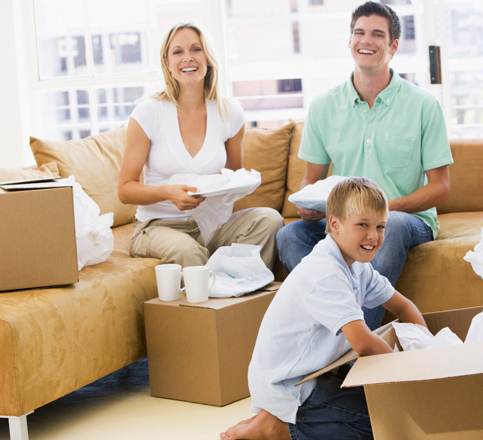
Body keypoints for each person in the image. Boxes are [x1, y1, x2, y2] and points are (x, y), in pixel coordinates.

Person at [276, 2, 453, 329]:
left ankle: (352, 351)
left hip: (404, 219)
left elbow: (441, 188)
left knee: (393, 225)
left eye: (377, 34)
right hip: (344, 220)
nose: (365, 40)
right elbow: (310, 180)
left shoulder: (423, 106)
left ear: (393, 46)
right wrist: (309, 205)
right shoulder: (323, 107)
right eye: (359, 32)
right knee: (289, 235)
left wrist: (383, 212)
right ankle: (333, 327)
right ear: (350, 41)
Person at [221, 177, 427, 440]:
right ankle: (278, 427)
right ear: (334, 224)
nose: (373, 236)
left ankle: (274, 418)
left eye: (380, 226)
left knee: (390, 410)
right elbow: (363, 343)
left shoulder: (358, 265)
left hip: (317, 373)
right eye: (362, 225)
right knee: (387, 422)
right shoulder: (326, 273)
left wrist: (426, 353)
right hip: (292, 385)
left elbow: (404, 306)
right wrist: (409, 380)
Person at [118, 23, 283, 269]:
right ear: (167, 64)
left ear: (208, 57)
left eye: (196, 49)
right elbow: (125, 190)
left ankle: (233, 291)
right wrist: (168, 192)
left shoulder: (230, 113)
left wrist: (223, 188)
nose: (188, 58)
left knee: (270, 220)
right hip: (157, 226)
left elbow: (232, 177)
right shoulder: (148, 112)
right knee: (188, 251)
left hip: (210, 225)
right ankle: (218, 291)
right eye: (177, 52)